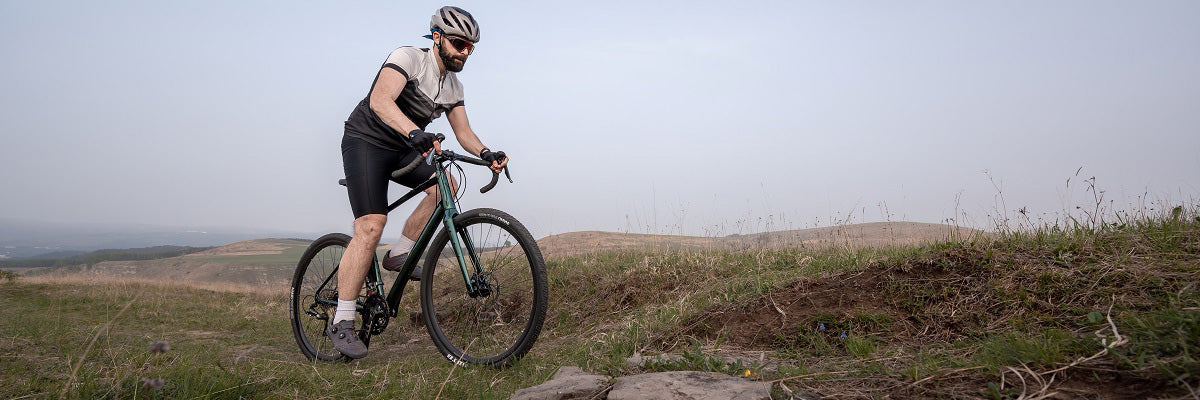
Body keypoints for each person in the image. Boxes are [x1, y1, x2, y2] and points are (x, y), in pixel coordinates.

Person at [328, 6, 508, 359]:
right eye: (458, 43)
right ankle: (343, 320)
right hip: (366, 142)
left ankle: (400, 253)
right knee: (371, 226)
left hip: (404, 148)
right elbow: (380, 101)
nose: (464, 53)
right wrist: (414, 131)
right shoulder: (408, 58)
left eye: (470, 47)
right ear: (437, 37)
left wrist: (487, 153)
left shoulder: (453, 85)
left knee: (447, 186)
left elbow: (464, 133)